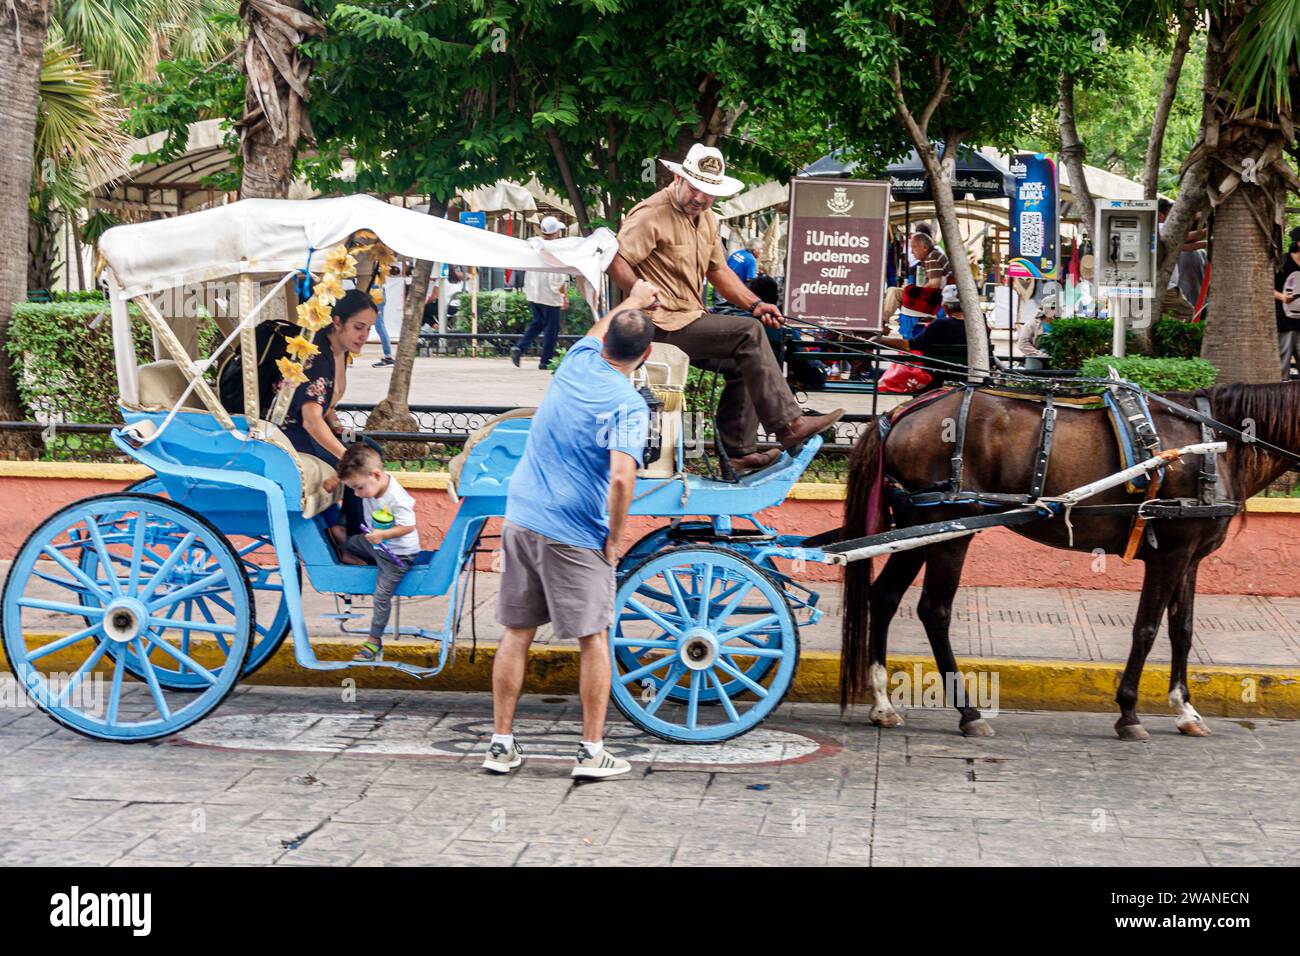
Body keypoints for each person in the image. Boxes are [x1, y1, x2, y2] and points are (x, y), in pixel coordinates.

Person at [484, 278, 662, 781]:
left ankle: (500, 744)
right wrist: (614, 536)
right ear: (646, 354)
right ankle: (590, 750)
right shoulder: (627, 403)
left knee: (516, 632)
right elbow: (624, 475)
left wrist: (632, 299)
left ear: (603, 343)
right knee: (593, 638)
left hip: (521, 516)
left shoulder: (576, 363)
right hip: (573, 529)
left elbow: (599, 327)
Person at [607, 143, 842, 473]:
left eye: (709, 192)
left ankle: (738, 452)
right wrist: (637, 291)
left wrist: (757, 303)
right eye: (695, 188)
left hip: (689, 320)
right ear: (678, 178)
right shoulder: (650, 214)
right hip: (658, 323)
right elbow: (616, 260)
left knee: (744, 358)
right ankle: (789, 426)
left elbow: (718, 271)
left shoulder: (707, 220)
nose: (701, 198)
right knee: (748, 333)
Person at [278, 288, 377, 544]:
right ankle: (350, 536)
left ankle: (346, 524)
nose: (364, 336)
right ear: (337, 321)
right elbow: (311, 420)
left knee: (368, 446)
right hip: (294, 435)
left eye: (368, 329)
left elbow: (325, 405)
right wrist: (345, 455)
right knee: (360, 459)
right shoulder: (318, 358)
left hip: (316, 428)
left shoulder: (340, 353)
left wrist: (337, 427)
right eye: (358, 327)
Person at [332, 444, 420, 662]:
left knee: (381, 596)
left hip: (397, 556)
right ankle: (351, 552)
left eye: (358, 487)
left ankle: (374, 641)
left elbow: (409, 526)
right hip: (377, 545)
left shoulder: (396, 498)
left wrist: (384, 535)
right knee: (348, 542)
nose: (356, 493)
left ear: (376, 475)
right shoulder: (371, 483)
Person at [511, 216, 570, 369]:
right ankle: (545, 361)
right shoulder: (557, 248)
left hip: (533, 291)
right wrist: (564, 296)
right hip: (550, 293)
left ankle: (520, 347)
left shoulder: (533, 244)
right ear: (556, 232)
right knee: (551, 329)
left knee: (538, 322)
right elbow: (560, 276)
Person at [1275, 226, 1300, 377]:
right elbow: (1265, 286)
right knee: (1282, 365)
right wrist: (1283, 297)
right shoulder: (1283, 261)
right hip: (1284, 322)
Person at [1017, 291, 1056, 360]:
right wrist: (1039, 354)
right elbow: (1022, 344)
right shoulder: (1032, 324)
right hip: (1036, 359)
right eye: (1052, 308)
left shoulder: (1062, 324)